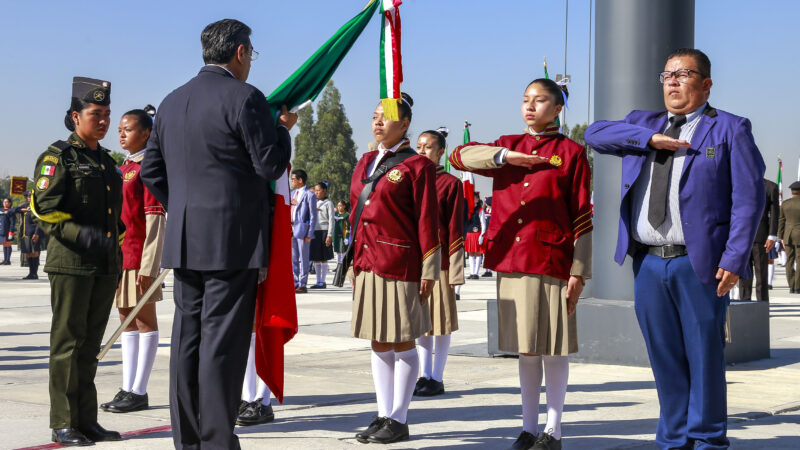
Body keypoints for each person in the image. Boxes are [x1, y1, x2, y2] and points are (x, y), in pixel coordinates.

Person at [585, 48, 765, 449]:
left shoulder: (730, 128)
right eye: (667, 75)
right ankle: (673, 439)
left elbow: (749, 200)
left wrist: (735, 258)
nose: (672, 81)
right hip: (649, 264)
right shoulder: (643, 123)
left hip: (699, 264)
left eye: (683, 74)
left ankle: (707, 440)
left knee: (704, 357)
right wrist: (648, 139)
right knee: (664, 358)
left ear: (706, 84)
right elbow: (594, 134)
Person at [140, 19, 296, 449]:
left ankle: (189, 442)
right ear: (240, 52)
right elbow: (269, 164)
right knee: (222, 347)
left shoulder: (171, 101)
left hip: (185, 239)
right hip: (232, 242)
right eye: (252, 54)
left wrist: (185, 208)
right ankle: (216, 442)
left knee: (187, 343)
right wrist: (284, 130)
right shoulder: (245, 97)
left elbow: (151, 171)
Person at [450, 78, 592, 450]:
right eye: (525, 99)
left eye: (539, 100)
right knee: (525, 347)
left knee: (553, 346)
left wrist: (579, 270)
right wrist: (505, 157)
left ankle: (553, 431)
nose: (530, 106)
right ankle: (529, 428)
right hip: (511, 259)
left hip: (551, 259)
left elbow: (582, 215)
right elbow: (458, 156)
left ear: (557, 108)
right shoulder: (507, 145)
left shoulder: (571, 153)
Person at [31, 76, 124, 446]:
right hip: (71, 263)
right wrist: (81, 235)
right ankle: (63, 422)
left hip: (105, 265)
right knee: (67, 345)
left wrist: (116, 244)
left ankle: (87, 420)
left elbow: (114, 218)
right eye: (95, 114)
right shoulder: (58, 157)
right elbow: (43, 209)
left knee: (90, 346)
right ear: (75, 116)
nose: (103, 121)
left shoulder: (107, 162)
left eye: (107, 114)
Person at [349, 93, 440, 444]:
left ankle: (399, 418)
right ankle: (383, 413)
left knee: (403, 340)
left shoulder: (418, 166)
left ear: (404, 125)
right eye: (374, 115)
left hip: (399, 262)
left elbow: (427, 219)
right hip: (367, 260)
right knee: (378, 339)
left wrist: (429, 269)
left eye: (384, 117)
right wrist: (353, 260)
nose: (377, 121)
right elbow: (358, 212)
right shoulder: (366, 161)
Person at [100, 108, 166, 413]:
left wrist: (150, 265)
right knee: (126, 320)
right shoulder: (122, 167)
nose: (121, 134)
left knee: (144, 320)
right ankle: (127, 387)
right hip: (120, 257)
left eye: (128, 129)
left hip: (139, 257)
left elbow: (155, 218)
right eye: (120, 130)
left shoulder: (149, 167)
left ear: (146, 133)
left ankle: (139, 390)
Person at [414, 127, 465, 397]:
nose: (422, 151)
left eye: (428, 147)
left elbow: (455, 228)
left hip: (441, 262)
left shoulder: (450, 184)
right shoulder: (410, 180)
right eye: (419, 146)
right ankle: (423, 374)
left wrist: (456, 272)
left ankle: (437, 377)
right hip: (414, 262)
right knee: (421, 322)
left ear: (441, 151)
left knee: (441, 321)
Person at [738, 179, 779, 301]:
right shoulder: (738, 183)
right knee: (744, 275)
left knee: (761, 275)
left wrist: (772, 235)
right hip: (741, 236)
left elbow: (774, 213)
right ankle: (744, 303)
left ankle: (762, 304)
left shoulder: (770, 187)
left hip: (761, 237)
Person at [290, 169, 317, 293]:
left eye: (293, 179)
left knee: (304, 258)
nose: (292, 181)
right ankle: (295, 282)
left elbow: (313, 216)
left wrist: (310, 233)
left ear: (300, 180)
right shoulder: (292, 194)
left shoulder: (309, 195)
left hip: (303, 230)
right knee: (294, 258)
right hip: (291, 228)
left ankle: (302, 283)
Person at [11, 192, 44, 279]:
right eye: (27, 197)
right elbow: (13, 210)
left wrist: (37, 233)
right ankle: (31, 273)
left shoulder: (37, 206)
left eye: (30, 196)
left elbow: (39, 221)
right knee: (29, 254)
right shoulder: (24, 206)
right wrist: (21, 210)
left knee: (35, 253)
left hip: (34, 233)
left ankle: (35, 273)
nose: (28, 198)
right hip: (25, 234)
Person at [310, 182, 335, 288]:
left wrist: (329, 235)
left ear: (324, 190)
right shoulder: (313, 202)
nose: (316, 192)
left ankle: (323, 281)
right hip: (314, 232)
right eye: (315, 190)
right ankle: (318, 281)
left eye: (318, 190)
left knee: (324, 257)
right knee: (316, 257)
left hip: (324, 232)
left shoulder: (328, 203)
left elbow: (331, 220)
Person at [778, 182, 800, 294]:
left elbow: (781, 220)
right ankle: (798, 286)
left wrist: (780, 236)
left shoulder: (785, 203)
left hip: (788, 235)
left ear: (792, 192)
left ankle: (791, 286)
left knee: (789, 261)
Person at [464, 194, 484, 279]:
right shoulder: (467, 209)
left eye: (474, 198)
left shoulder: (480, 210)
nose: (472, 200)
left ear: (478, 199)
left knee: (478, 253)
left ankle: (476, 273)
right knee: (471, 253)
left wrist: (482, 235)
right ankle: (472, 273)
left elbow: (483, 223)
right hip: (469, 233)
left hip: (477, 233)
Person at [479, 197, 493, 277]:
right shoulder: (483, 211)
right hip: (485, 234)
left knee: (490, 253)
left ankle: (489, 270)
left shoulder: (495, 211)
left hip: (492, 234)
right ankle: (487, 270)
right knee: (485, 253)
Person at [1, 198, 15, 265]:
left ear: (10, 203)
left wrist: (11, 232)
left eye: (6, 202)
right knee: (4, 244)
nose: (5, 203)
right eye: (4, 202)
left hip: (8, 230)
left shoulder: (11, 211)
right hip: (2, 230)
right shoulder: (1, 210)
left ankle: (8, 260)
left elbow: (12, 222)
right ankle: (5, 259)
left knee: (8, 244)